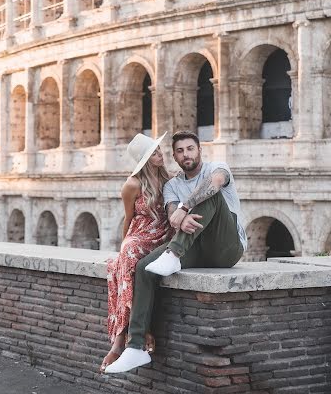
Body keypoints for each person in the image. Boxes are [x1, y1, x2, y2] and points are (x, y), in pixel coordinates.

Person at [105, 130, 248, 373]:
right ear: (175, 156)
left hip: (226, 247)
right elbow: (172, 216)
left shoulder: (217, 167)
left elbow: (215, 183)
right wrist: (178, 216)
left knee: (209, 192)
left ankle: (173, 254)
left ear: (200, 150)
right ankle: (136, 346)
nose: (186, 154)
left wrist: (185, 207)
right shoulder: (172, 184)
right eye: (180, 151)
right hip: (196, 247)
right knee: (144, 267)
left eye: (190, 148)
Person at [99, 131, 174, 373]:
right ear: (144, 159)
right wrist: (124, 247)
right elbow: (128, 219)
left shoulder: (170, 179)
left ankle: (124, 340)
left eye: (159, 150)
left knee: (128, 267)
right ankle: (128, 336)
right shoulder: (131, 184)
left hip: (163, 235)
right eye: (154, 153)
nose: (160, 155)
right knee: (126, 261)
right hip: (140, 235)